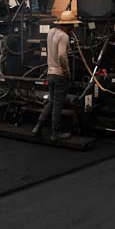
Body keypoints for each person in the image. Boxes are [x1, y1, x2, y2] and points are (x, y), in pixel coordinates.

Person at [32, 10, 81, 141]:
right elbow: (61, 55)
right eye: (73, 25)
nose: (73, 28)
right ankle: (55, 133)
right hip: (60, 75)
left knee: (51, 102)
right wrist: (67, 72)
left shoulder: (51, 32)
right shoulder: (64, 37)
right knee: (58, 104)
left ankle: (38, 126)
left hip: (50, 73)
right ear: (69, 25)